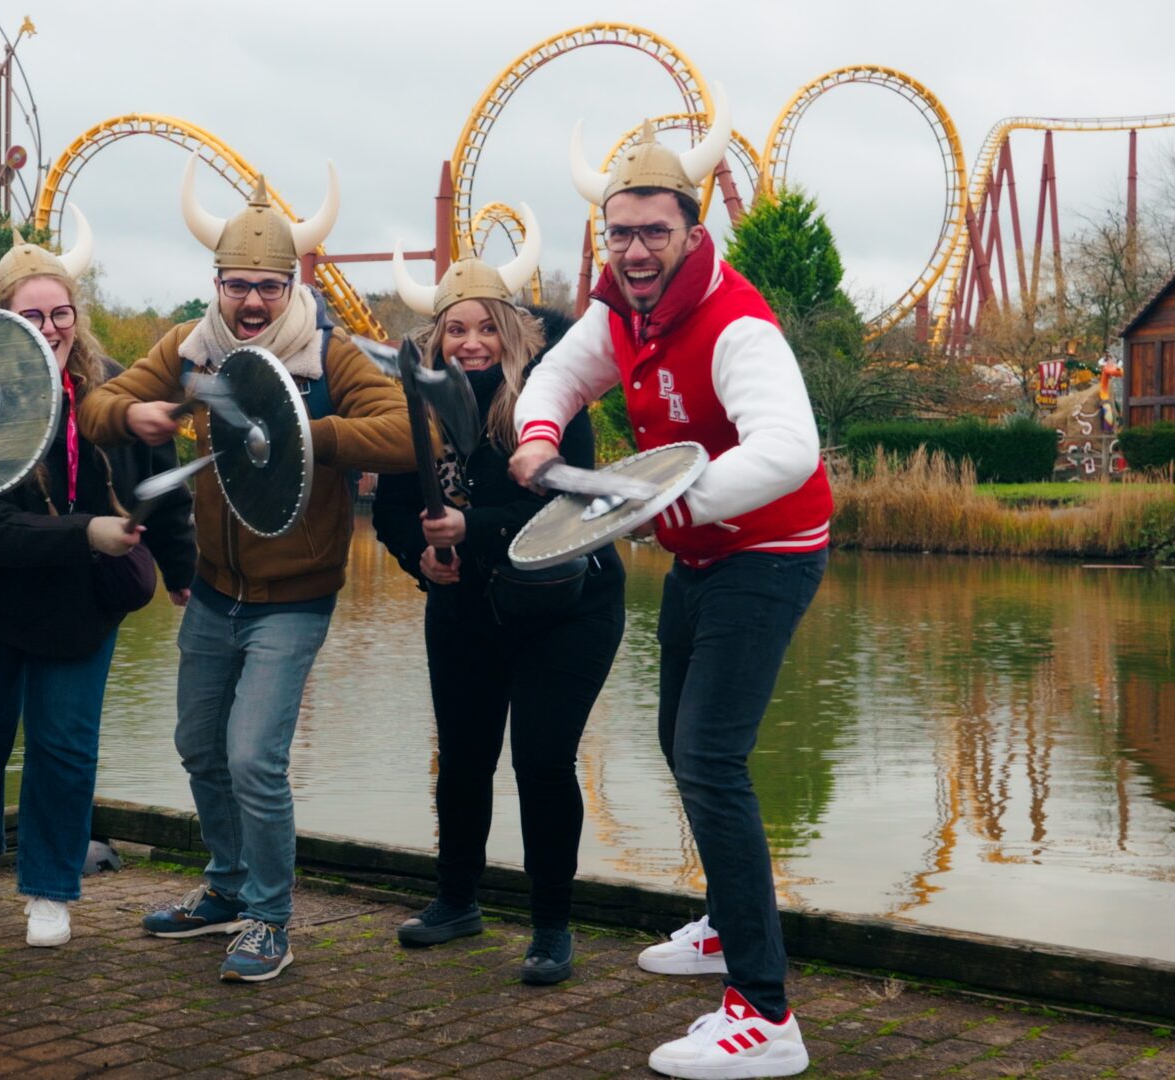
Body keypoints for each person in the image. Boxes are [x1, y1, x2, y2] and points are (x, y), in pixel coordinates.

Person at [509, 91, 831, 1079]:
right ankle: (729, 926)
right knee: (673, 744)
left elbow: (788, 450)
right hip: (701, 554)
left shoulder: (737, 324)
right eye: (620, 233)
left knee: (711, 757)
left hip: (769, 554)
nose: (635, 250)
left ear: (695, 229)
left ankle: (766, 1015)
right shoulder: (620, 311)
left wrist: (651, 505)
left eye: (654, 231)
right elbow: (557, 381)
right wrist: (535, 439)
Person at [76, 163, 414, 982]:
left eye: (267, 286)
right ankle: (224, 890)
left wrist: (311, 434)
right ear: (216, 284)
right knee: (198, 746)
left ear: (291, 284)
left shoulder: (328, 357)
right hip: (216, 596)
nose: (252, 303)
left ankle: (269, 918)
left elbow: (405, 433)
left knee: (253, 757)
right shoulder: (193, 349)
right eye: (237, 286)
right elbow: (95, 405)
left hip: (294, 600)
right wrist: (135, 412)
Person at [0, 211, 197, 948]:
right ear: (1, 320)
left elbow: (160, 485)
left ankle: (50, 884)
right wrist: (86, 532)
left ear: (78, 317)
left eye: (60, 312)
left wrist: (182, 572)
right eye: (30, 314)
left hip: (79, 604)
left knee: (64, 744)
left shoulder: (108, 392)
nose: (49, 326)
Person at [378, 225, 626, 986]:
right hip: (466, 605)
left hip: (566, 606)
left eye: (488, 326)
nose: (472, 341)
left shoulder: (553, 401)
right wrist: (422, 562)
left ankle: (552, 927)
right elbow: (394, 511)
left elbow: (574, 507)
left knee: (543, 764)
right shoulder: (413, 408)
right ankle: (457, 902)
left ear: (513, 332)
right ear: (437, 335)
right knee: (462, 762)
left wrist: (471, 527)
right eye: (457, 327)